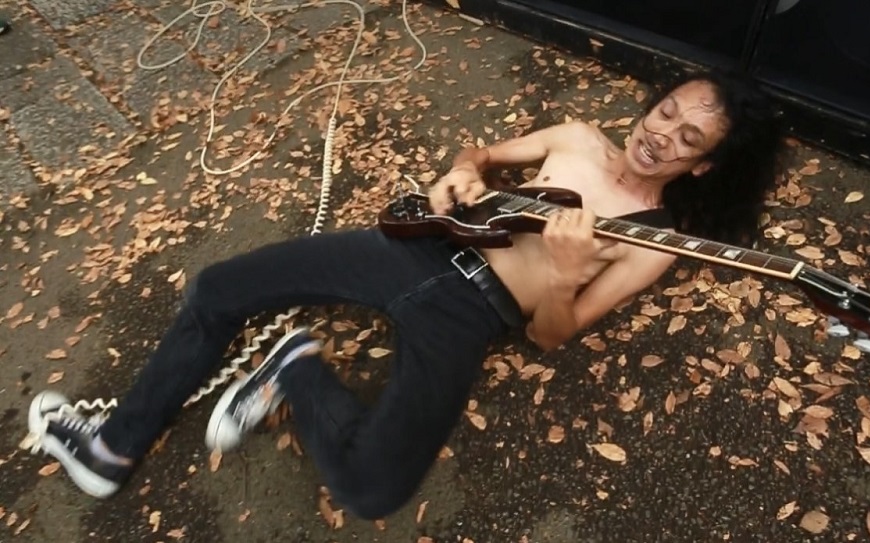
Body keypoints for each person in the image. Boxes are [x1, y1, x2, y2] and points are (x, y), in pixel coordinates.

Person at [27, 68, 783, 519]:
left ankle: (293, 368)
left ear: (706, 167)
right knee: (220, 286)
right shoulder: (579, 139)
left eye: (690, 141)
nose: (663, 135)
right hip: (416, 249)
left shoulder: (650, 241)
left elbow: (553, 333)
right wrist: (462, 173)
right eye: (667, 113)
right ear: (654, 102)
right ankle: (110, 443)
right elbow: (481, 154)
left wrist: (558, 275)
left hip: (472, 316)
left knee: (372, 490)